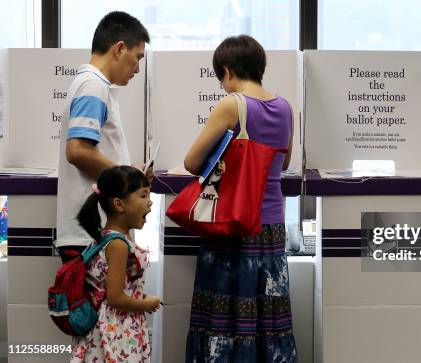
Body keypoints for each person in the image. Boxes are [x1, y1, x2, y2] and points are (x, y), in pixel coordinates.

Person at [182, 34, 298, 362]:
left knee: (225, 314)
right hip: (271, 225)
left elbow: (192, 162)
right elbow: (284, 162)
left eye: (221, 77)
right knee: (267, 315)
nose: (222, 85)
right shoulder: (284, 107)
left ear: (229, 71)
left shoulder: (233, 104)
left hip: (233, 224)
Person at [55, 11, 152, 263]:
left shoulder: (93, 85)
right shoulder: (93, 86)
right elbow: (78, 151)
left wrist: (127, 170)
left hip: (93, 233)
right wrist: (130, 178)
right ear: (119, 49)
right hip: (91, 235)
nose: (138, 68)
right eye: (137, 57)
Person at [70, 165, 161, 362]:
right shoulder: (118, 245)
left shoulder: (106, 238)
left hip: (109, 328)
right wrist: (146, 304)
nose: (150, 202)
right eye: (143, 196)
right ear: (119, 205)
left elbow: (116, 285)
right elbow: (116, 298)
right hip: (115, 331)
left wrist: (140, 295)